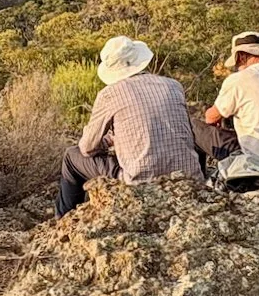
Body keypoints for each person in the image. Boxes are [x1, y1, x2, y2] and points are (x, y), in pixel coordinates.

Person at [56, 36, 201, 218]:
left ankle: (63, 221)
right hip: (188, 179)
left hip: (141, 182)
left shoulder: (110, 94)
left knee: (72, 156)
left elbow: (87, 147)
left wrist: (106, 144)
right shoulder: (174, 86)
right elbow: (183, 133)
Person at [190, 31, 259, 167]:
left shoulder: (238, 79)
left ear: (241, 56)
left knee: (193, 126)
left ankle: (200, 180)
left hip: (257, 161)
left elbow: (211, 117)